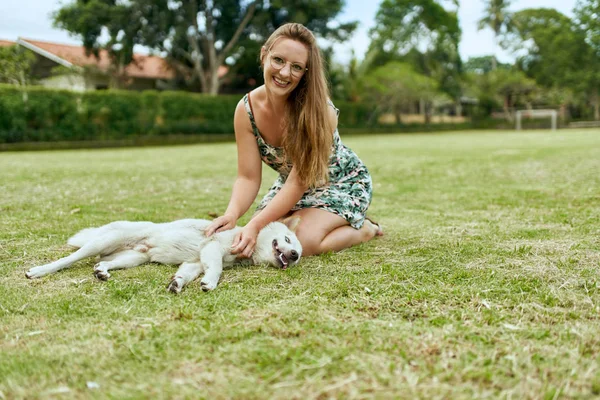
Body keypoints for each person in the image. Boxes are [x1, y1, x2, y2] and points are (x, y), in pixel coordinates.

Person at [205, 22, 382, 258]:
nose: (285, 73)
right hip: (291, 186)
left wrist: (255, 224)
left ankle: (366, 230)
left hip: (340, 183)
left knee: (302, 242)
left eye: (297, 67)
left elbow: (298, 183)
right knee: (269, 239)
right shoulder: (246, 110)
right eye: (278, 60)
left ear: (306, 72)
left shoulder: (321, 112)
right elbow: (247, 177)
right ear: (264, 54)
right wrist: (232, 214)